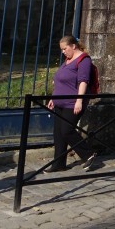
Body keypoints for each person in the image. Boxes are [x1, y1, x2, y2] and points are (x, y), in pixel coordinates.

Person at [45, 36, 97, 172]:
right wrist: (53, 98)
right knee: (58, 133)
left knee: (67, 130)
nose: (63, 52)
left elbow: (83, 81)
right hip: (60, 102)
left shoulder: (83, 60)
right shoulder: (67, 60)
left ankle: (88, 154)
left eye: (65, 48)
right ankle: (59, 164)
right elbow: (59, 80)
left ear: (73, 46)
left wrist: (79, 100)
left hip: (72, 103)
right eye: (61, 49)